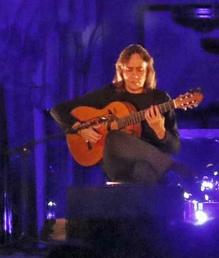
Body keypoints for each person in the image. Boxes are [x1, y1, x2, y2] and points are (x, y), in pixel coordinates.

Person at [51, 45, 192, 184]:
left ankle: (167, 169)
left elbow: (175, 147)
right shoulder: (109, 94)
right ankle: (173, 167)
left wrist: (160, 131)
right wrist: (80, 128)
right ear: (121, 71)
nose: (135, 75)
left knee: (142, 169)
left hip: (150, 169)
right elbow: (58, 110)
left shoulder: (160, 99)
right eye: (129, 70)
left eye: (140, 70)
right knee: (113, 136)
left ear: (148, 71)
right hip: (117, 166)